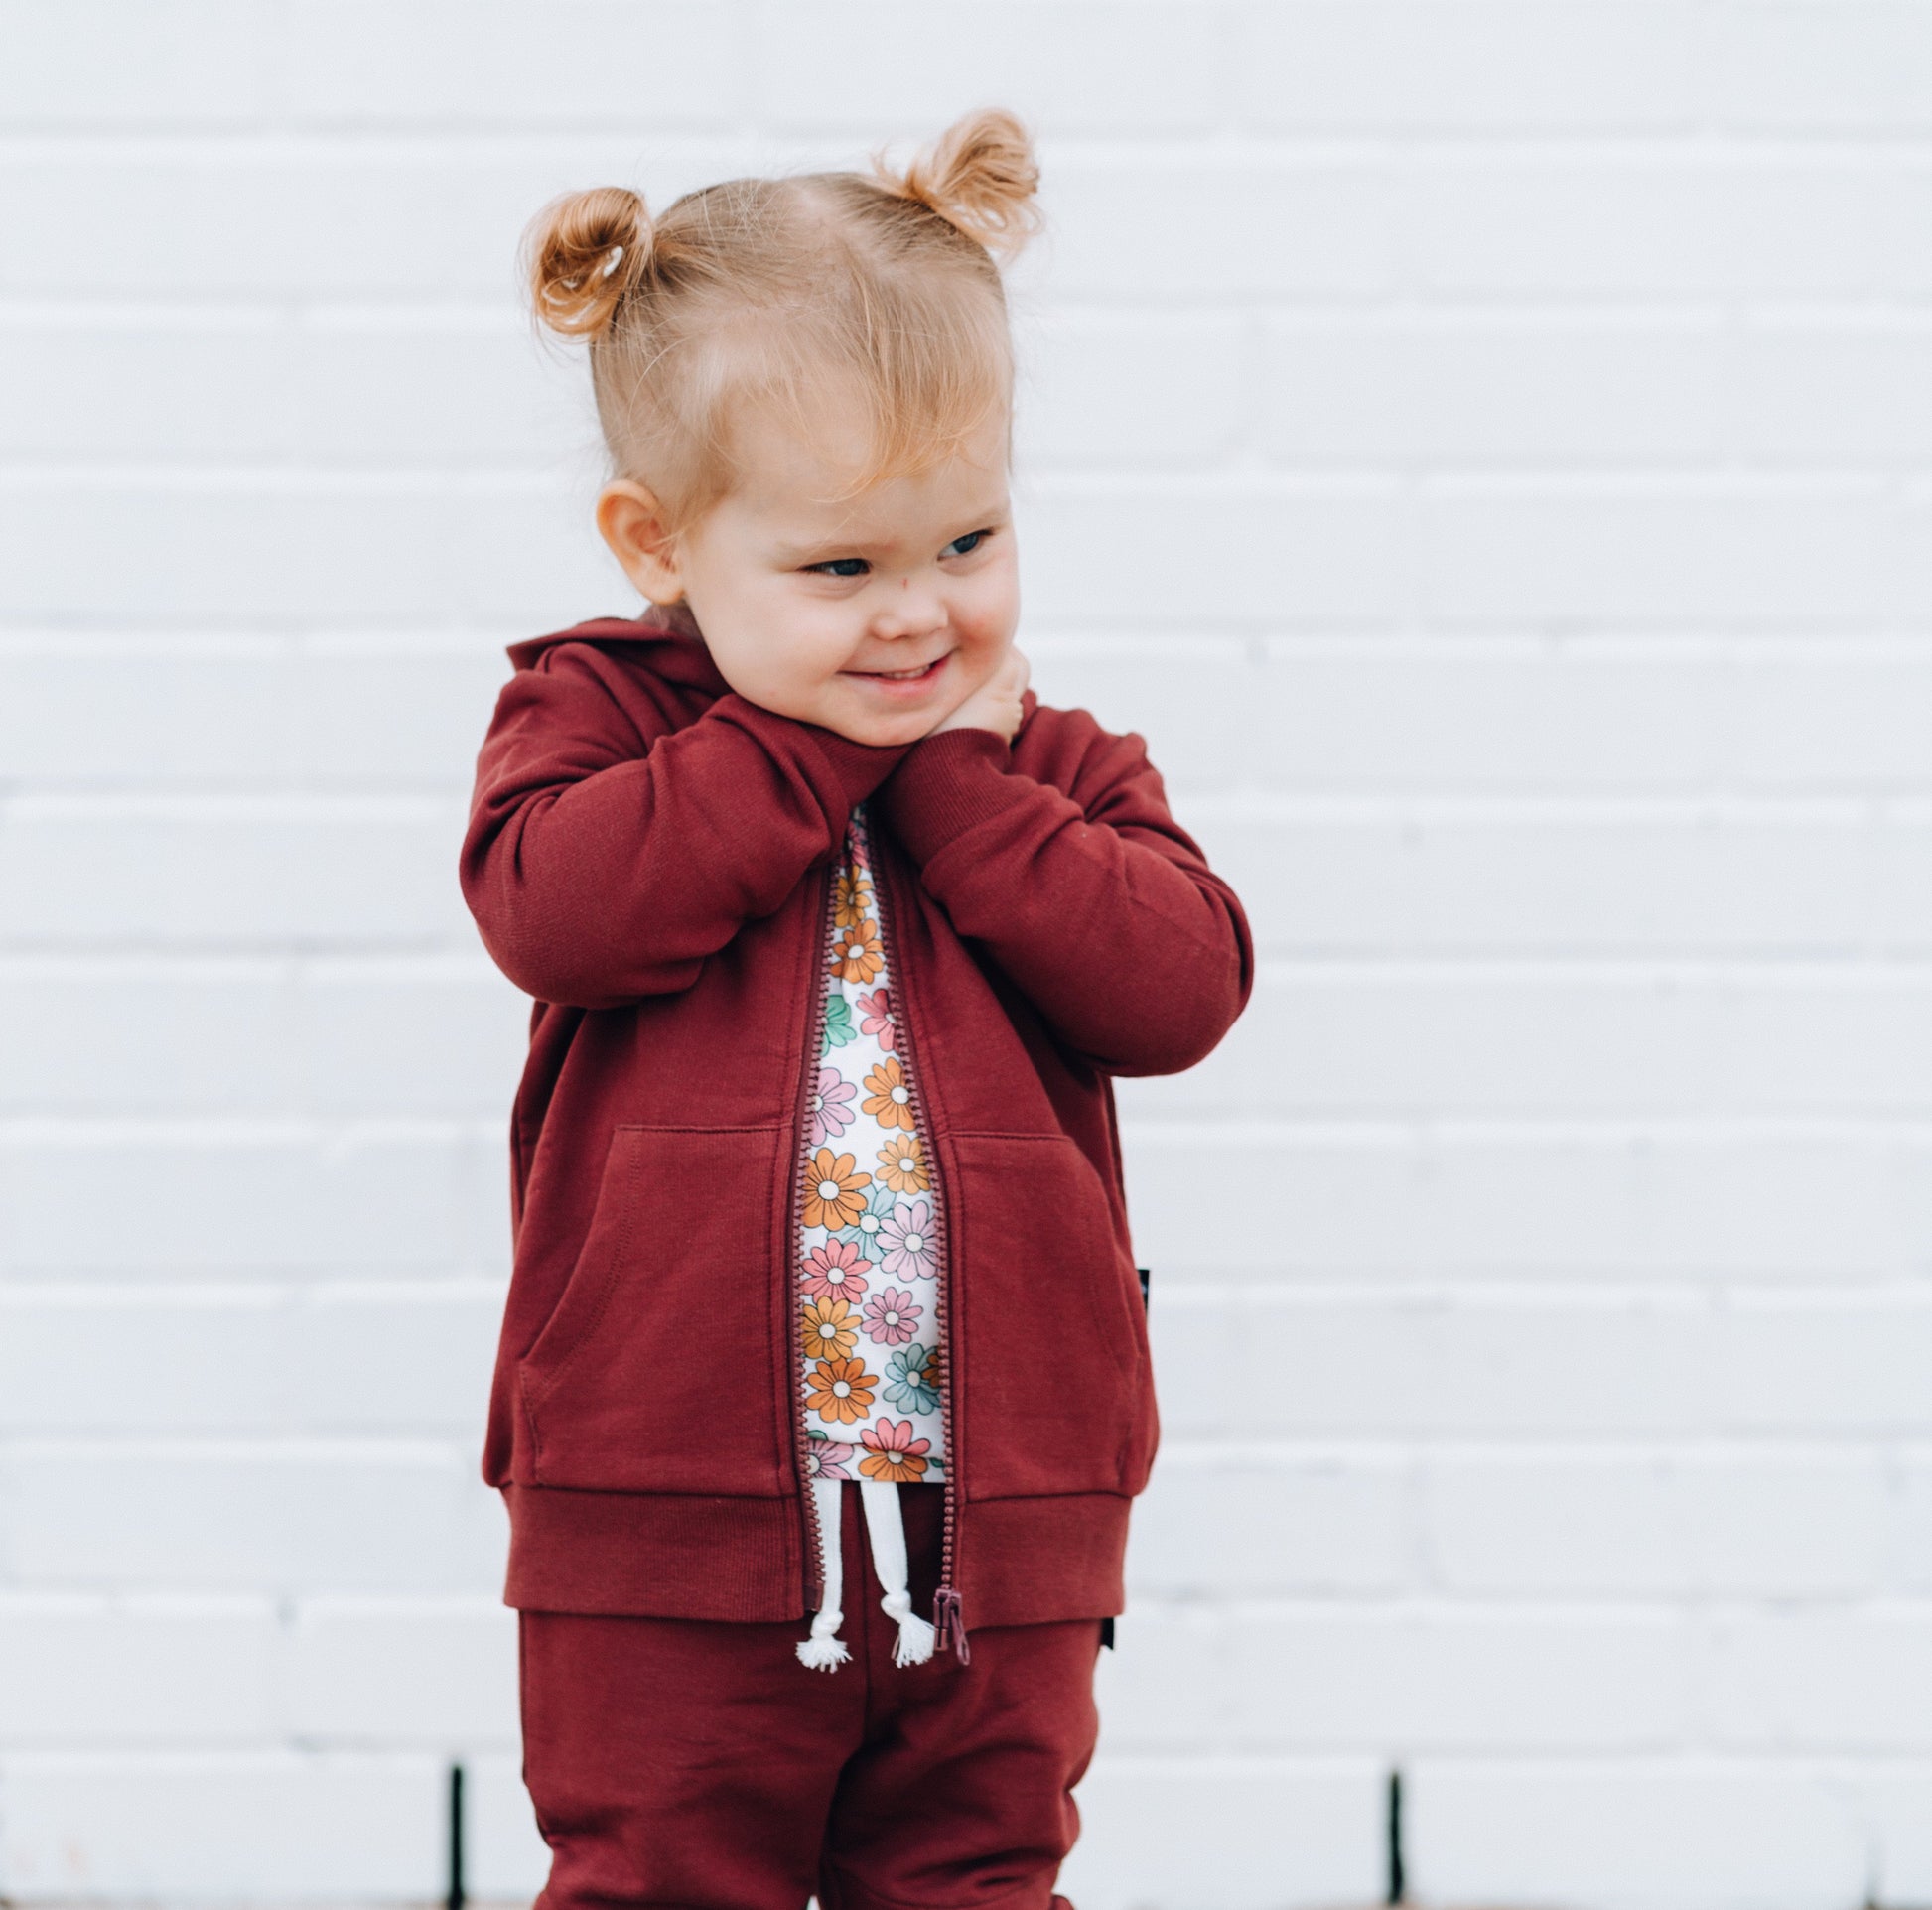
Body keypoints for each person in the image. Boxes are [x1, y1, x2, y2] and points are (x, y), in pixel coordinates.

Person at [459, 105, 1252, 1910]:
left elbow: (1181, 986)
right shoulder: (599, 726)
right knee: (660, 1879)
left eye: (965, 542)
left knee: (974, 1878)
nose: (915, 618)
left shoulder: (1041, 765)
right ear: (659, 544)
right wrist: (800, 751)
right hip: (659, 1508)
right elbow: (555, 913)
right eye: (840, 570)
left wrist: (967, 792)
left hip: (1002, 1516)